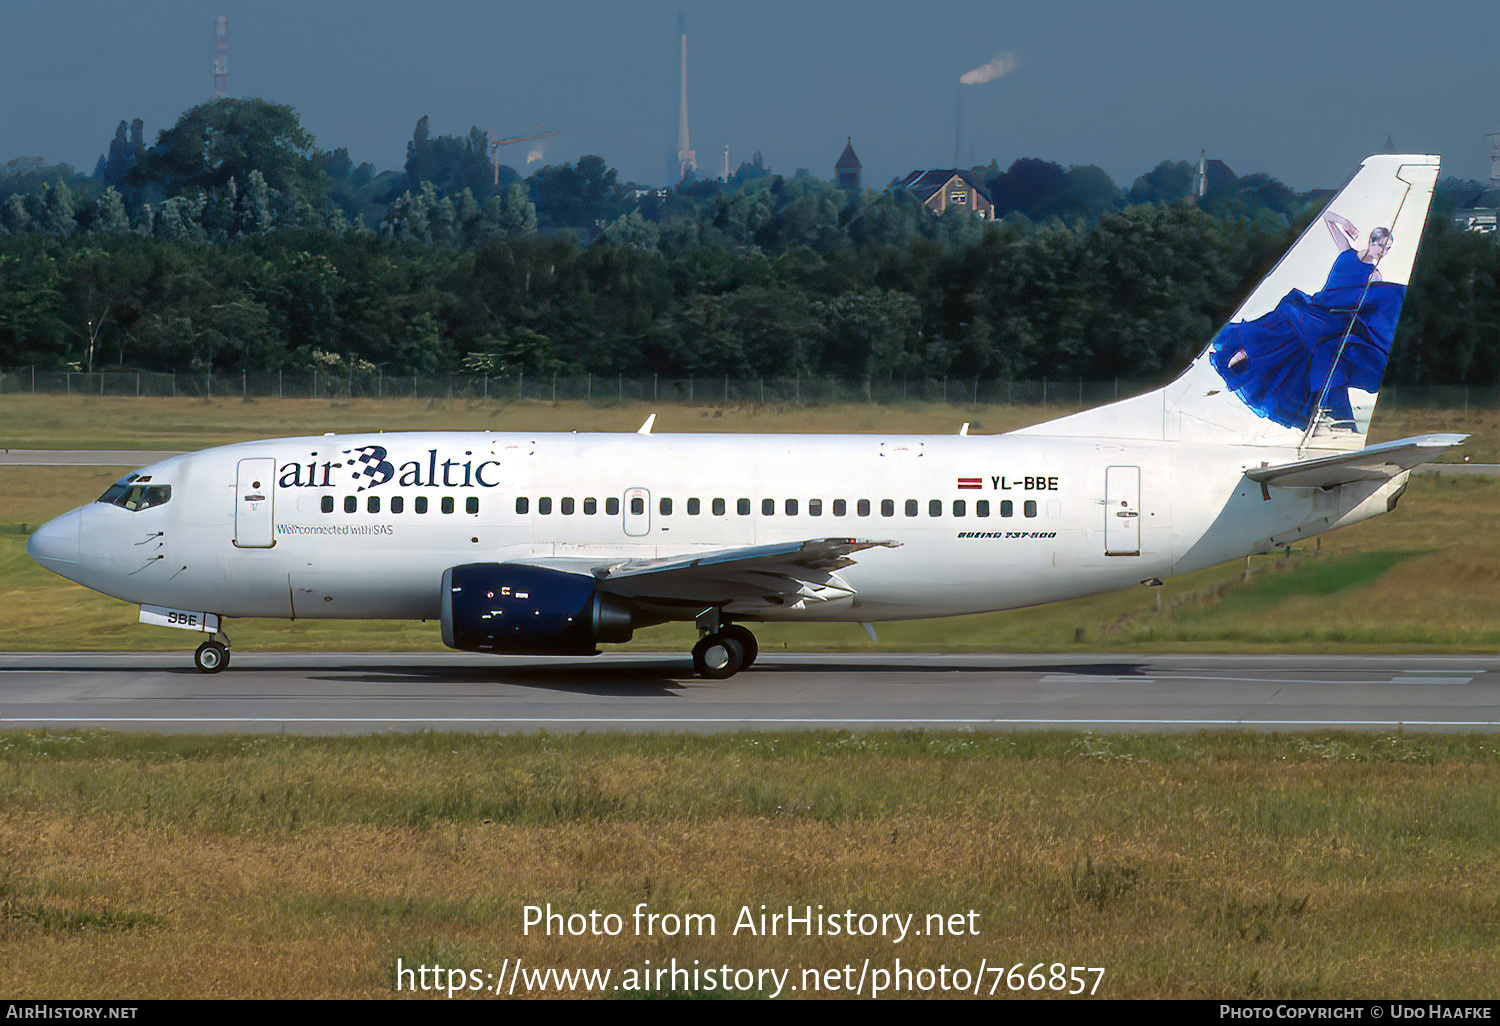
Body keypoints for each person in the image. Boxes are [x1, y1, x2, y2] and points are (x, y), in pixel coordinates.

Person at [1211, 211, 1403, 429]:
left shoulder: (1374, 275)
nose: (1384, 252)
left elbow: (1367, 306)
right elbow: (1326, 217)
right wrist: (1345, 222)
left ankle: (1249, 356)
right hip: (1316, 308)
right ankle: (1246, 353)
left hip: (1331, 319)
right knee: (1286, 322)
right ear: (1371, 241)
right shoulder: (1347, 254)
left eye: (1387, 249)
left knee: (1298, 336)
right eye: (1381, 246)